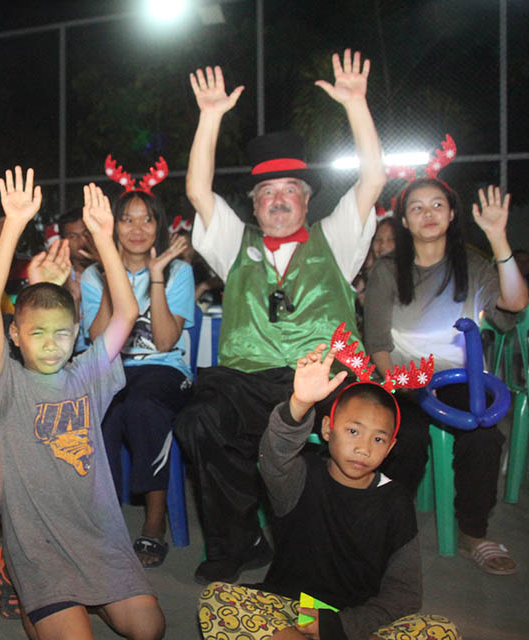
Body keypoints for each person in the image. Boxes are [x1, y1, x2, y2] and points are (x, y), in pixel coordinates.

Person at [175, 49, 387, 584]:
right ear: (254, 205)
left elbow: (372, 181)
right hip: (247, 379)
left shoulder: (336, 238)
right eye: (266, 192)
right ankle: (238, 540)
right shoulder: (234, 242)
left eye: (289, 190)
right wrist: (210, 117)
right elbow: (198, 190)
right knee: (199, 421)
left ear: (307, 200)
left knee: (366, 420)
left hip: (327, 375)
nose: (277, 200)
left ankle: (347, 539)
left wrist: (356, 105)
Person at [0, 167, 164, 640]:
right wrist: (14, 225)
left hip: (98, 536)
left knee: (150, 629)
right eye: (36, 333)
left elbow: (126, 313)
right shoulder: (5, 383)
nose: (51, 344)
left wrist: (104, 239)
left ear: (76, 331)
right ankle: (24, 583)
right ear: (15, 335)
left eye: (61, 333)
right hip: (38, 544)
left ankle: (88, 599)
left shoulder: (86, 374)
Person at [199, 345, 459, 640]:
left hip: (356, 620)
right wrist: (299, 404)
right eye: (353, 431)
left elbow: (404, 593)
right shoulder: (299, 477)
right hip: (293, 608)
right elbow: (274, 455)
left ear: (390, 448)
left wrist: (341, 627)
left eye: (378, 439)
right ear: (327, 429)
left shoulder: (395, 501)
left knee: (439, 629)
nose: (363, 448)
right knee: (217, 599)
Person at [364, 181, 528, 575]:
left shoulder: (472, 266)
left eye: (437, 204)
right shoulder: (387, 271)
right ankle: (389, 527)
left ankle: (474, 533)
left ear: (452, 214)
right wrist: (400, 384)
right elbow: (378, 345)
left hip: (459, 380)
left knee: (484, 437)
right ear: (405, 221)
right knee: (404, 436)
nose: (428, 213)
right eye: (417, 207)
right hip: (404, 379)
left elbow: (515, 302)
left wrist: (497, 237)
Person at [81, 187, 194, 568]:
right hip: (113, 367)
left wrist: (156, 276)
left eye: (147, 219)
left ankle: (154, 520)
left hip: (165, 369)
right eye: (127, 219)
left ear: (159, 225)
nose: (137, 229)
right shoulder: (93, 276)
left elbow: (163, 340)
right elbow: (99, 342)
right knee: (104, 409)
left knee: (143, 405)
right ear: (113, 226)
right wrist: (112, 276)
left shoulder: (178, 271)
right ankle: (106, 519)